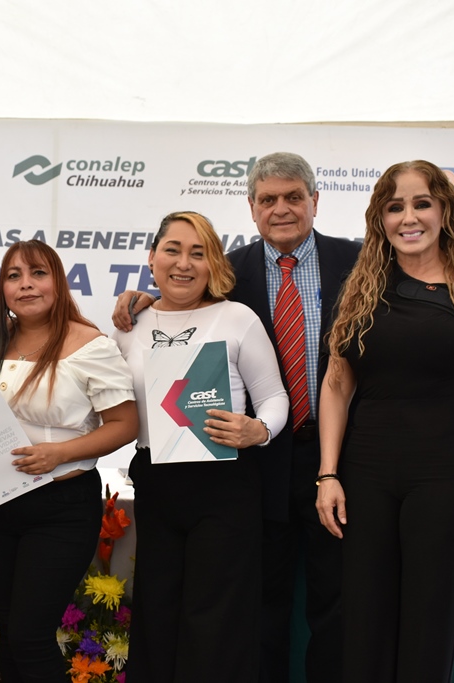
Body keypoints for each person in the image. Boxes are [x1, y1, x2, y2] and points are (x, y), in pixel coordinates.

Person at [113, 152, 360, 683]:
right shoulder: (230, 271)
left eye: (293, 197)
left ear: (315, 200)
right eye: (268, 199)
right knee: (255, 605)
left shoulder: (360, 261)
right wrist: (143, 299)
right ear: (251, 207)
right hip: (255, 466)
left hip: (337, 458)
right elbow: (183, 300)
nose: (281, 208)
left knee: (338, 599)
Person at [315, 160, 454, 683]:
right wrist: (328, 473)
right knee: (364, 620)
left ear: (444, 211)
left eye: (422, 203)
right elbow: (336, 385)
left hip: (450, 477)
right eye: (394, 206)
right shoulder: (360, 289)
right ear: (380, 219)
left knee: (430, 623)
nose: (409, 217)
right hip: (365, 474)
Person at [112, 211, 289, 682]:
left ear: (214, 263)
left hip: (225, 484)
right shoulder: (129, 325)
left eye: (198, 253)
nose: (184, 263)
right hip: (157, 482)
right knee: (156, 611)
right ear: (152, 257)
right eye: (172, 250)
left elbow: (274, 397)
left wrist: (259, 430)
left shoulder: (237, 317)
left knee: (216, 620)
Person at [0, 239, 138, 683]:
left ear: (58, 283)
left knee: (30, 637)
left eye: (38, 273)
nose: (26, 285)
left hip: (61, 508)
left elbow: (125, 424)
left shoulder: (90, 343)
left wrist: (60, 453)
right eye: (14, 276)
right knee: (9, 633)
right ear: (2, 289)